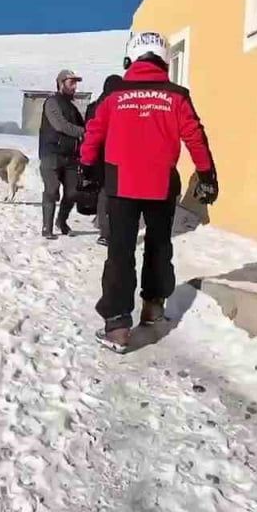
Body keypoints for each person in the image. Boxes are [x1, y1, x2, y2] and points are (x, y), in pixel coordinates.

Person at [78, 32, 219, 350]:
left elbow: (94, 133)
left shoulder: (114, 95)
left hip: (121, 185)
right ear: (164, 59)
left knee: (120, 252)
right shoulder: (177, 94)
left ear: (131, 58)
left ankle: (117, 326)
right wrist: (207, 174)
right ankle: (154, 310)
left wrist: (86, 169)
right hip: (161, 185)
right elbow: (195, 137)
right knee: (158, 246)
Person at [39, 68, 86, 239]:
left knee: (73, 192)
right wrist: (84, 131)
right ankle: (47, 227)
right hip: (51, 153)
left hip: (71, 156)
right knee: (51, 189)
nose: (74, 87)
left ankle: (62, 220)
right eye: (71, 83)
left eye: (76, 83)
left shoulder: (72, 107)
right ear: (61, 83)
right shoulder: (52, 102)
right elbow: (60, 125)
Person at [84, 74, 122, 247]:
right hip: (114, 155)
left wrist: (86, 160)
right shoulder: (119, 107)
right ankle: (107, 232)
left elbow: (88, 133)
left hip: (96, 155)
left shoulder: (93, 106)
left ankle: (103, 226)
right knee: (110, 193)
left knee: (103, 192)